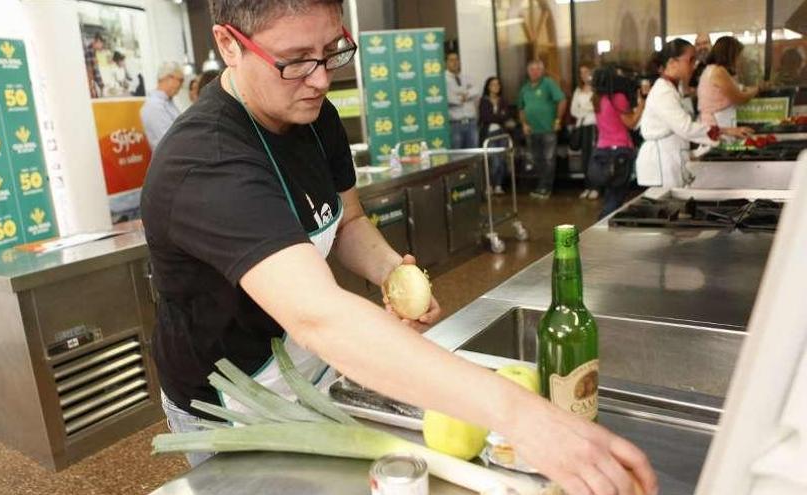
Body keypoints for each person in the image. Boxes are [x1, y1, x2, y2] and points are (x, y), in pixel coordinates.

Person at [140, 1, 657, 494]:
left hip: (313, 367)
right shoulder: (205, 162)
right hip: (239, 403)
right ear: (229, 44)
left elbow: (346, 222)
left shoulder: (312, 115)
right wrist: (521, 415)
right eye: (296, 61)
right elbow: (320, 317)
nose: (322, 79)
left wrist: (391, 272)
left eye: (333, 51)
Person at [636, 39, 752, 188]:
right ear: (672, 63)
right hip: (662, 162)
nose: (694, 65)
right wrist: (725, 131)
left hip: (671, 157)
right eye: (690, 60)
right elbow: (686, 128)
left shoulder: (672, 88)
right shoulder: (663, 92)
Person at [589, 65, 645, 218]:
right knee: (616, 196)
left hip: (601, 149)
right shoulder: (617, 98)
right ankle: (603, 225)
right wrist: (641, 105)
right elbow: (631, 122)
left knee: (610, 193)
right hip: (619, 150)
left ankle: (603, 224)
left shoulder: (596, 99)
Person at [518, 59, 566, 199]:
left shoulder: (548, 83)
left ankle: (545, 188)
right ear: (528, 71)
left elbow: (562, 100)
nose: (534, 72)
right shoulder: (525, 88)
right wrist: (524, 124)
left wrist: (558, 119)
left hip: (548, 129)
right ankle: (541, 185)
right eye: (532, 69)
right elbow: (521, 108)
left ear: (542, 71)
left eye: (538, 69)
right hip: (531, 130)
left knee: (549, 159)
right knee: (536, 159)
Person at [698, 36, 761, 129]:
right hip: (717, 123)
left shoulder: (711, 69)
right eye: (738, 56)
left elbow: (736, 88)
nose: (739, 60)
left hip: (718, 122)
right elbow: (740, 98)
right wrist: (757, 90)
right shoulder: (718, 71)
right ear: (730, 55)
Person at [478, 76, 513, 195]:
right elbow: (486, 117)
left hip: (502, 133)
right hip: (489, 134)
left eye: (498, 84)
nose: (496, 86)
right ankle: (489, 185)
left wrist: (498, 117)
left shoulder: (502, 100)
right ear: (488, 87)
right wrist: (500, 117)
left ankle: (498, 185)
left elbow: (507, 115)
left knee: (502, 159)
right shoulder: (484, 100)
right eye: (493, 84)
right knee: (494, 160)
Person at [140, 61, 184, 149]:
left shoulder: (167, 103)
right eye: (180, 80)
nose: (181, 86)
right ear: (169, 78)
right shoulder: (154, 106)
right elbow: (171, 140)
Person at [571, 63, 598, 200]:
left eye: (586, 71)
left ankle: (596, 187)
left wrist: (585, 108)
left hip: (595, 126)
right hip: (583, 126)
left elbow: (597, 108)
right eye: (581, 72)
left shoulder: (597, 89)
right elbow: (574, 110)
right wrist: (587, 108)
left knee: (595, 157)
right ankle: (587, 186)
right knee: (585, 157)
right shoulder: (578, 90)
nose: (584, 75)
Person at [445, 51, 480, 149]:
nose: (455, 62)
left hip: (471, 122)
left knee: (473, 156)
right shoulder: (443, 80)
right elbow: (450, 99)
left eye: (456, 59)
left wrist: (466, 95)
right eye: (451, 60)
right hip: (455, 124)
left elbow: (476, 90)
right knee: (457, 157)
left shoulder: (467, 77)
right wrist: (464, 96)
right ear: (446, 63)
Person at [83, 33, 105, 98]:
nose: (101, 47)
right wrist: (101, 85)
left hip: (91, 85)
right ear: (97, 41)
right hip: (90, 85)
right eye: (101, 44)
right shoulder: (90, 51)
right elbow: (93, 71)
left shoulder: (92, 50)